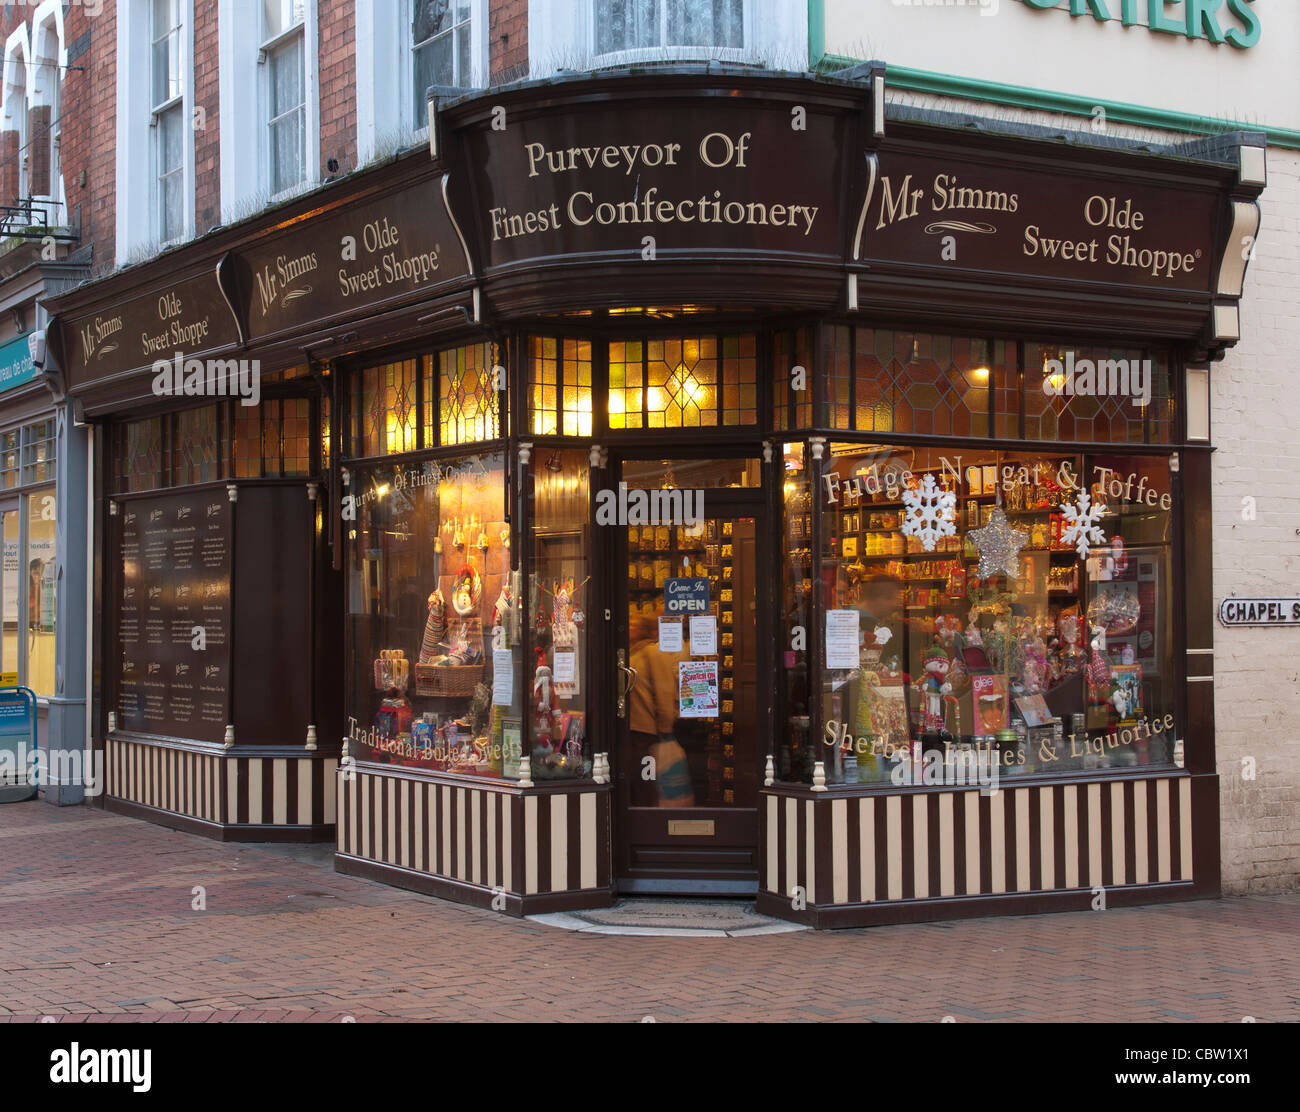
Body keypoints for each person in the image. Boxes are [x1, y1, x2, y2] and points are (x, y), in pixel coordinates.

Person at [628, 612, 696, 807]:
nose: (630, 627)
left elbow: (664, 691)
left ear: (645, 629)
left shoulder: (653, 653)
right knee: (641, 782)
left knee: (647, 782)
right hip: (634, 731)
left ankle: (652, 821)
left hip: (647, 733)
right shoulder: (631, 653)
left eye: (634, 624)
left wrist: (665, 729)